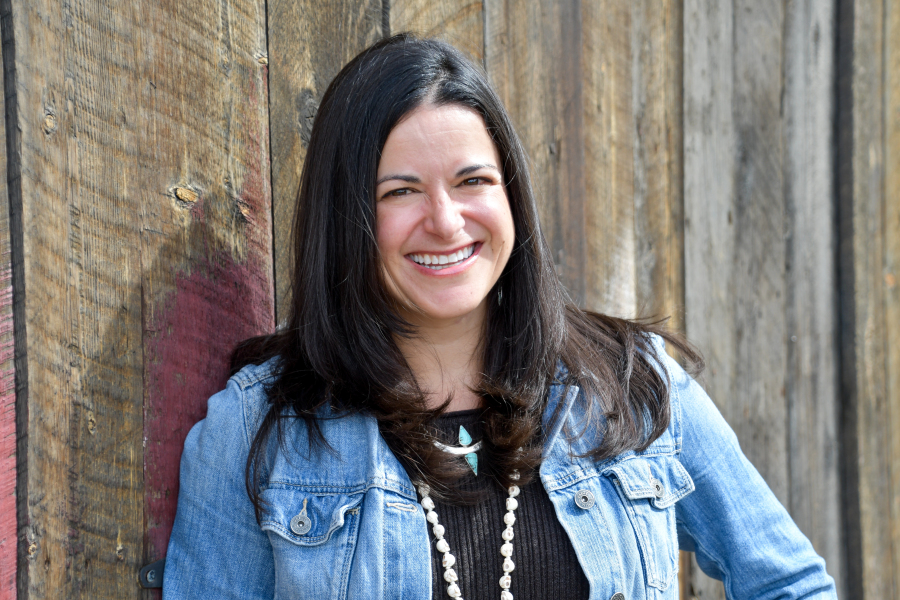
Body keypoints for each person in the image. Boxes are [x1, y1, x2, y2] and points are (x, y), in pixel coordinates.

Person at [163, 34, 836, 599]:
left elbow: (792, 584)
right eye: (401, 192)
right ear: (349, 221)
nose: (447, 221)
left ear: (510, 192)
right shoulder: (259, 429)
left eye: (472, 181)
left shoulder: (627, 385)